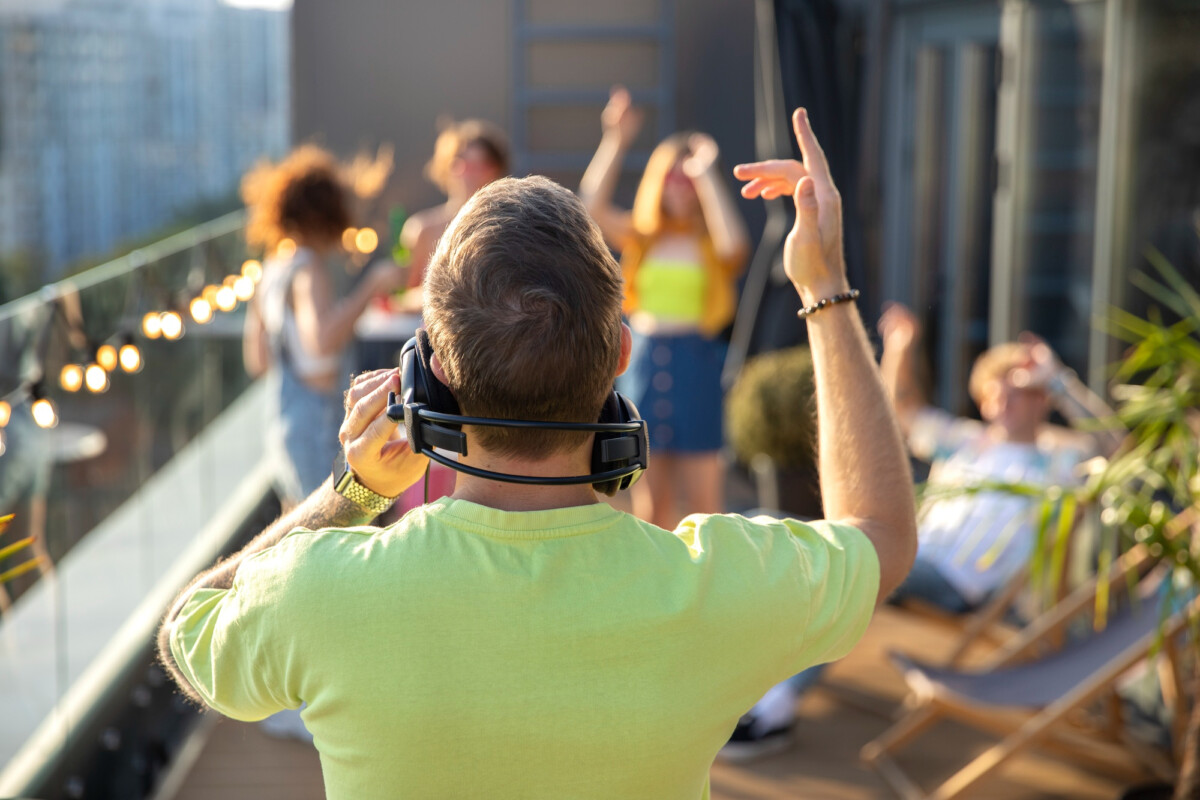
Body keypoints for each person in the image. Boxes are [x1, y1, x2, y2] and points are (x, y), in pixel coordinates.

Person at [158, 109, 917, 799]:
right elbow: (882, 533)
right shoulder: (713, 584)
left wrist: (351, 494)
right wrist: (826, 287)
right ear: (620, 352)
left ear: (433, 376)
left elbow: (187, 629)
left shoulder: (322, 590)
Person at [580, 86, 750, 529]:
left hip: (696, 359)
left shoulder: (711, 239)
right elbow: (590, 206)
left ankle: (704, 595)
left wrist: (707, 173)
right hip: (646, 359)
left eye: (687, 177)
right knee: (651, 510)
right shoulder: (643, 234)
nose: (680, 185)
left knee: (705, 508)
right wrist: (615, 139)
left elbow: (736, 247)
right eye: (672, 176)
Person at [242, 145, 407, 508]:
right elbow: (322, 341)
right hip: (318, 419)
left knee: (298, 525)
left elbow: (257, 360)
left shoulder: (271, 268)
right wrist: (371, 285)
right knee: (334, 526)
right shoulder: (309, 269)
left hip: (282, 418)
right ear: (327, 212)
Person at [398, 118, 509, 302]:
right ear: (446, 166)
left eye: (480, 165)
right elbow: (400, 296)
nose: (469, 174)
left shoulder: (508, 227)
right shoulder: (421, 229)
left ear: (495, 171)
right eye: (461, 163)